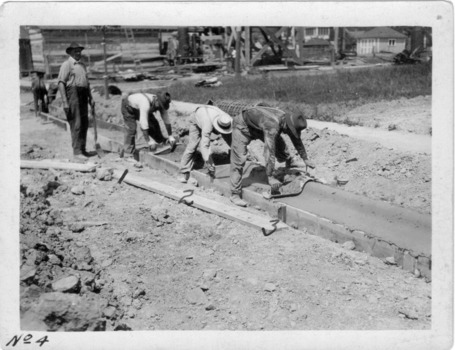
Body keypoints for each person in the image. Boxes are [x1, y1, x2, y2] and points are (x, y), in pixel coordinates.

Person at [229, 106, 315, 207]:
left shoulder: (286, 120)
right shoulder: (273, 125)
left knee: (281, 145)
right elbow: (269, 151)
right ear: (287, 126)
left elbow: (296, 140)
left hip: (259, 126)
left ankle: (289, 162)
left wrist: (305, 158)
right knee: (238, 159)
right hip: (243, 126)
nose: (290, 133)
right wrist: (270, 176)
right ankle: (234, 194)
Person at [57, 42, 95, 160]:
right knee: (76, 123)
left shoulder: (82, 65)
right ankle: (77, 152)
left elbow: (87, 84)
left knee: (84, 123)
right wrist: (64, 101)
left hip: (83, 94)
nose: (78, 53)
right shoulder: (67, 64)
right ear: (70, 53)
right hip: (72, 94)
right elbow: (61, 83)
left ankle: (82, 149)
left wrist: (91, 98)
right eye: (75, 51)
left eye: (79, 51)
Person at [178, 105, 232, 183]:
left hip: (208, 114)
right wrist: (209, 162)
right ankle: (184, 172)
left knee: (230, 139)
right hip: (196, 118)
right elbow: (205, 145)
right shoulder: (208, 126)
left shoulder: (226, 120)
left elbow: (230, 137)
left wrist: (240, 151)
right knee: (193, 145)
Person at [120, 91, 175, 157]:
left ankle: (161, 142)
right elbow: (143, 124)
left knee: (154, 124)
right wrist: (149, 141)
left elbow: (167, 121)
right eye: (159, 106)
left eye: (161, 107)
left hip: (140, 108)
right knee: (131, 129)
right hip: (128, 108)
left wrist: (170, 136)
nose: (159, 108)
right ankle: (127, 153)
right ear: (156, 100)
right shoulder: (145, 103)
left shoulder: (162, 104)